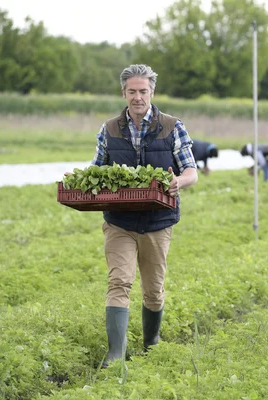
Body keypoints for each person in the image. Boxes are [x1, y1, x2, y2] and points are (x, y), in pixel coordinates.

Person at [90, 64, 198, 368]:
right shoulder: (109, 129)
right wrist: (83, 181)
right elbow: (98, 170)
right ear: (124, 93)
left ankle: (151, 342)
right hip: (119, 221)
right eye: (132, 91)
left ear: (152, 92)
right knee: (119, 282)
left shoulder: (172, 126)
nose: (138, 97)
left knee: (153, 291)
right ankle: (116, 354)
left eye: (143, 91)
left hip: (157, 222)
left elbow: (191, 171)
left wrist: (179, 181)